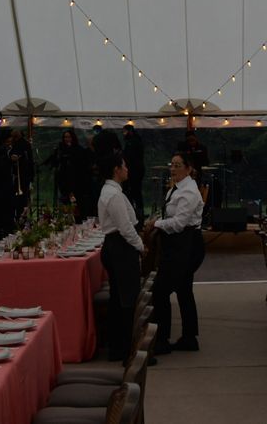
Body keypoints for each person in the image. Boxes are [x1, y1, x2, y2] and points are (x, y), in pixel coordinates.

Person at [149, 152, 204, 355]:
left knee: (161, 290)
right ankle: (189, 338)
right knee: (183, 290)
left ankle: (162, 339)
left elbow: (179, 224)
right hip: (178, 244)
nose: (172, 169)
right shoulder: (178, 187)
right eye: (171, 165)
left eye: (178, 165)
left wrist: (156, 224)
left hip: (186, 245)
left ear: (189, 169)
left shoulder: (189, 191)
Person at [95, 151, 142, 361]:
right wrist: (140, 245)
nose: (127, 169)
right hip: (120, 247)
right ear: (116, 169)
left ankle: (119, 347)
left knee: (119, 298)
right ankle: (123, 349)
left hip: (116, 246)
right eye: (124, 166)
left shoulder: (112, 191)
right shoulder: (112, 194)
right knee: (126, 299)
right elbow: (125, 227)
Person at [54, 130, 92, 218]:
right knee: (65, 206)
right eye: (65, 137)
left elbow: (82, 166)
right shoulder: (61, 150)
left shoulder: (79, 149)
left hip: (77, 183)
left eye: (69, 137)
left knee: (76, 206)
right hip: (64, 182)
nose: (67, 139)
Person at [120, 122, 146, 219]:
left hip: (134, 171)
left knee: (134, 193)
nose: (124, 134)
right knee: (136, 193)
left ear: (129, 131)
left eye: (125, 132)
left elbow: (130, 157)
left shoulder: (132, 142)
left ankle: (135, 215)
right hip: (136, 170)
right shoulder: (135, 141)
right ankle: (137, 214)